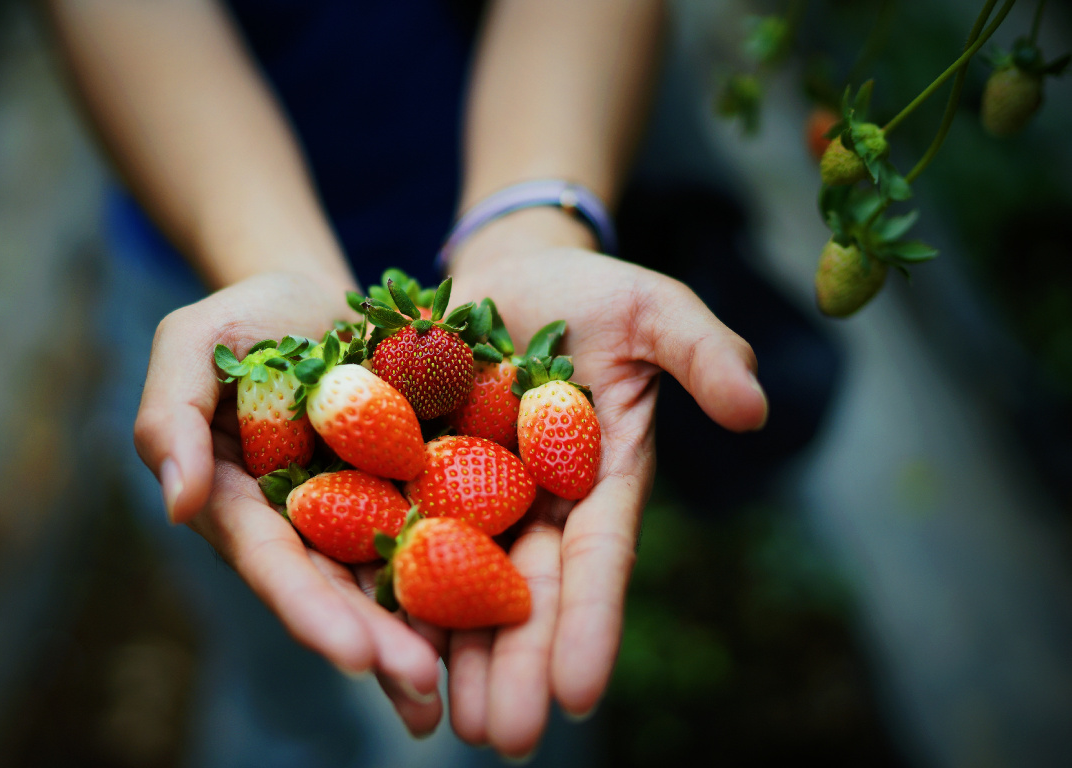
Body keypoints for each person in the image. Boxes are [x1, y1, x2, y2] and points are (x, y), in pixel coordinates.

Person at [48, 0, 768, 759]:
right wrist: (270, 267)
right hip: (208, 267)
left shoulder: (484, 397)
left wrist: (531, 229)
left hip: (528, 182)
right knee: (279, 684)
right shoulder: (277, 384)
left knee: (519, 703)